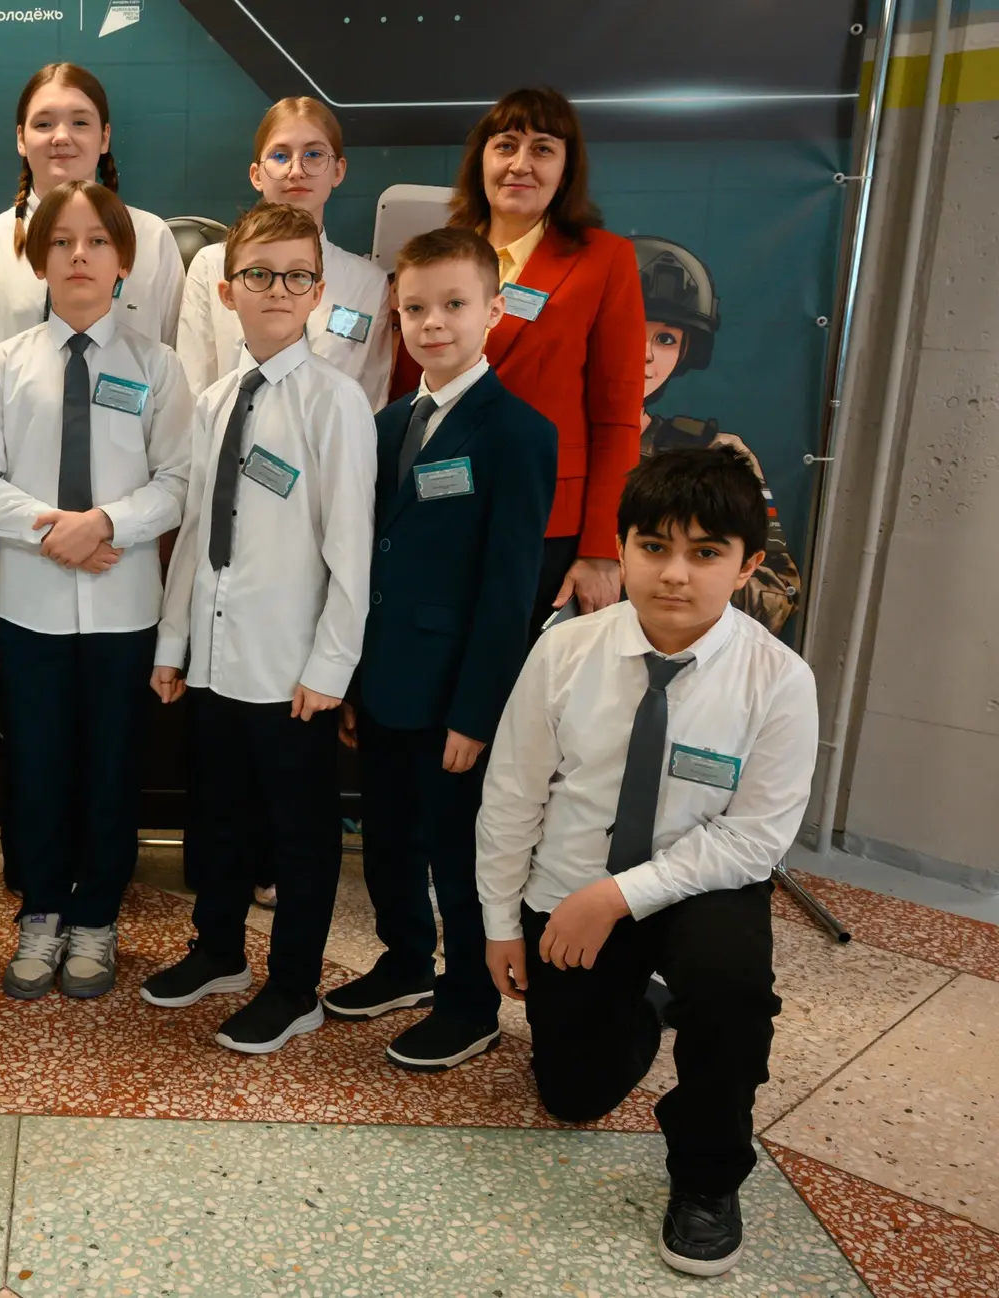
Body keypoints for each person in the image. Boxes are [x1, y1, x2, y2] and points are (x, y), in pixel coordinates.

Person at [477, 445, 816, 1278]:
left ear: (747, 566)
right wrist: (500, 925)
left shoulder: (779, 680)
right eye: (654, 546)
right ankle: (644, 1002)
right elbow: (513, 795)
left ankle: (707, 1178)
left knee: (732, 993)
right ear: (621, 548)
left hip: (702, 885)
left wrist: (616, 898)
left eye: (706, 552)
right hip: (572, 880)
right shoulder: (564, 653)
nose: (674, 573)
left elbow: (755, 839)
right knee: (572, 1096)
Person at [142, 202, 375, 1054]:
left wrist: (330, 668)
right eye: (259, 274)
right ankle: (219, 951)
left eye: (296, 275)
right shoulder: (213, 401)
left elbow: (351, 552)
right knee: (219, 817)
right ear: (227, 289)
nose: (277, 289)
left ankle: (293, 986)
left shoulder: (335, 403)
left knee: (300, 835)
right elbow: (197, 533)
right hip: (215, 658)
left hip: (289, 671)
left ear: (317, 291)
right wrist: (173, 645)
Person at [322, 227, 556, 1070]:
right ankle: (404, 961)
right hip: (384, 678)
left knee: (456, 849)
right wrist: (353, 680)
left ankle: (469, 1003)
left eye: (455, 304)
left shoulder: (518, 433)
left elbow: (510, 590)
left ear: (493, 310)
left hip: (456, 693)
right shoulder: (386, 425)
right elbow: (366, 560)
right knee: (387, 835)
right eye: (416, 307)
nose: (434, 323)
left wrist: (477, 713)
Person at [0, 181, 193, 1001]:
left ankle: (97, 918)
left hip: (125, 609)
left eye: (96, 241)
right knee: (39, 767)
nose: (79, 255)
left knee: (112, 768)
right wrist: (53, 528)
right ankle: (43, 911)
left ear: (125, 260)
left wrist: (107, 524)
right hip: (35, 609)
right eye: (62, 242)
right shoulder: (4, 366)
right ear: (38, 259)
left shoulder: (158, 367)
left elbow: (178, 480)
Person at [396, 86, 644, 633]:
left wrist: (601, 548)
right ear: (481, 159)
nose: (520, 165)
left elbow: (618, 416)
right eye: (505, 145)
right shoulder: (435, 253)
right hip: (436, 504)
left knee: (517, 677)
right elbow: (405, 394)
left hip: (544, 521)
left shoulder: (605, 260)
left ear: (566, 167)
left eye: (543, 149)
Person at [0, 62, 184, 369]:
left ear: (104, 137)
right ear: (21, 139)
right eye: (44, 124)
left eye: (80, 122)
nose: (62, 136)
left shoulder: (150, 238)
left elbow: (178, 361)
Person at [632, 235, 802, 635]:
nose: (646, 354)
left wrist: (674, 565)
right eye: (628, 329)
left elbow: (777, 597)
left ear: (685, 352)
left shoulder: (718, 456)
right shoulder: (541, 443)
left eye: (667, 339)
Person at [177, 96, 392, 409]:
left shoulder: (367, 284)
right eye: (280, 155)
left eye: (313, 154)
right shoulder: (212, 265)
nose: (296, 171)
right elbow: (193, 390)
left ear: (338, 171)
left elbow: (370, 401)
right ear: (256, 175)